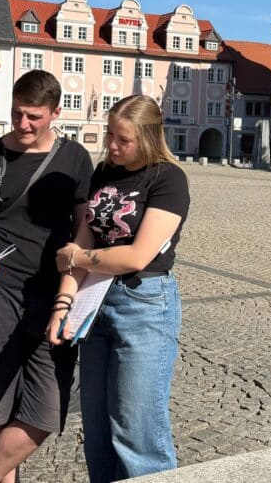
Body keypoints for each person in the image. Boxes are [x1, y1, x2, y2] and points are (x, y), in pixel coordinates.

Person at [0, 70, 94, 483]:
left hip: (53, 293)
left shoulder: (75, 158)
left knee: (47, 406)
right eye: (16, 114)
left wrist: (76, 290)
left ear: (55, 113)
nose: (23, 124)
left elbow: (84, 229)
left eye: (34, 116)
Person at [48, 94, 190, 482]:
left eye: (122, 139)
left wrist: (76, 259)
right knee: (97, 425)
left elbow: (136, 256)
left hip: (143, 302)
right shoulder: (104, 172)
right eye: (110, 134)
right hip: (95, 301)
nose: (111, 145)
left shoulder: (168, 179)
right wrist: (63, 304)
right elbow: (84, 238)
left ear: (147, 138)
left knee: (137, 426)